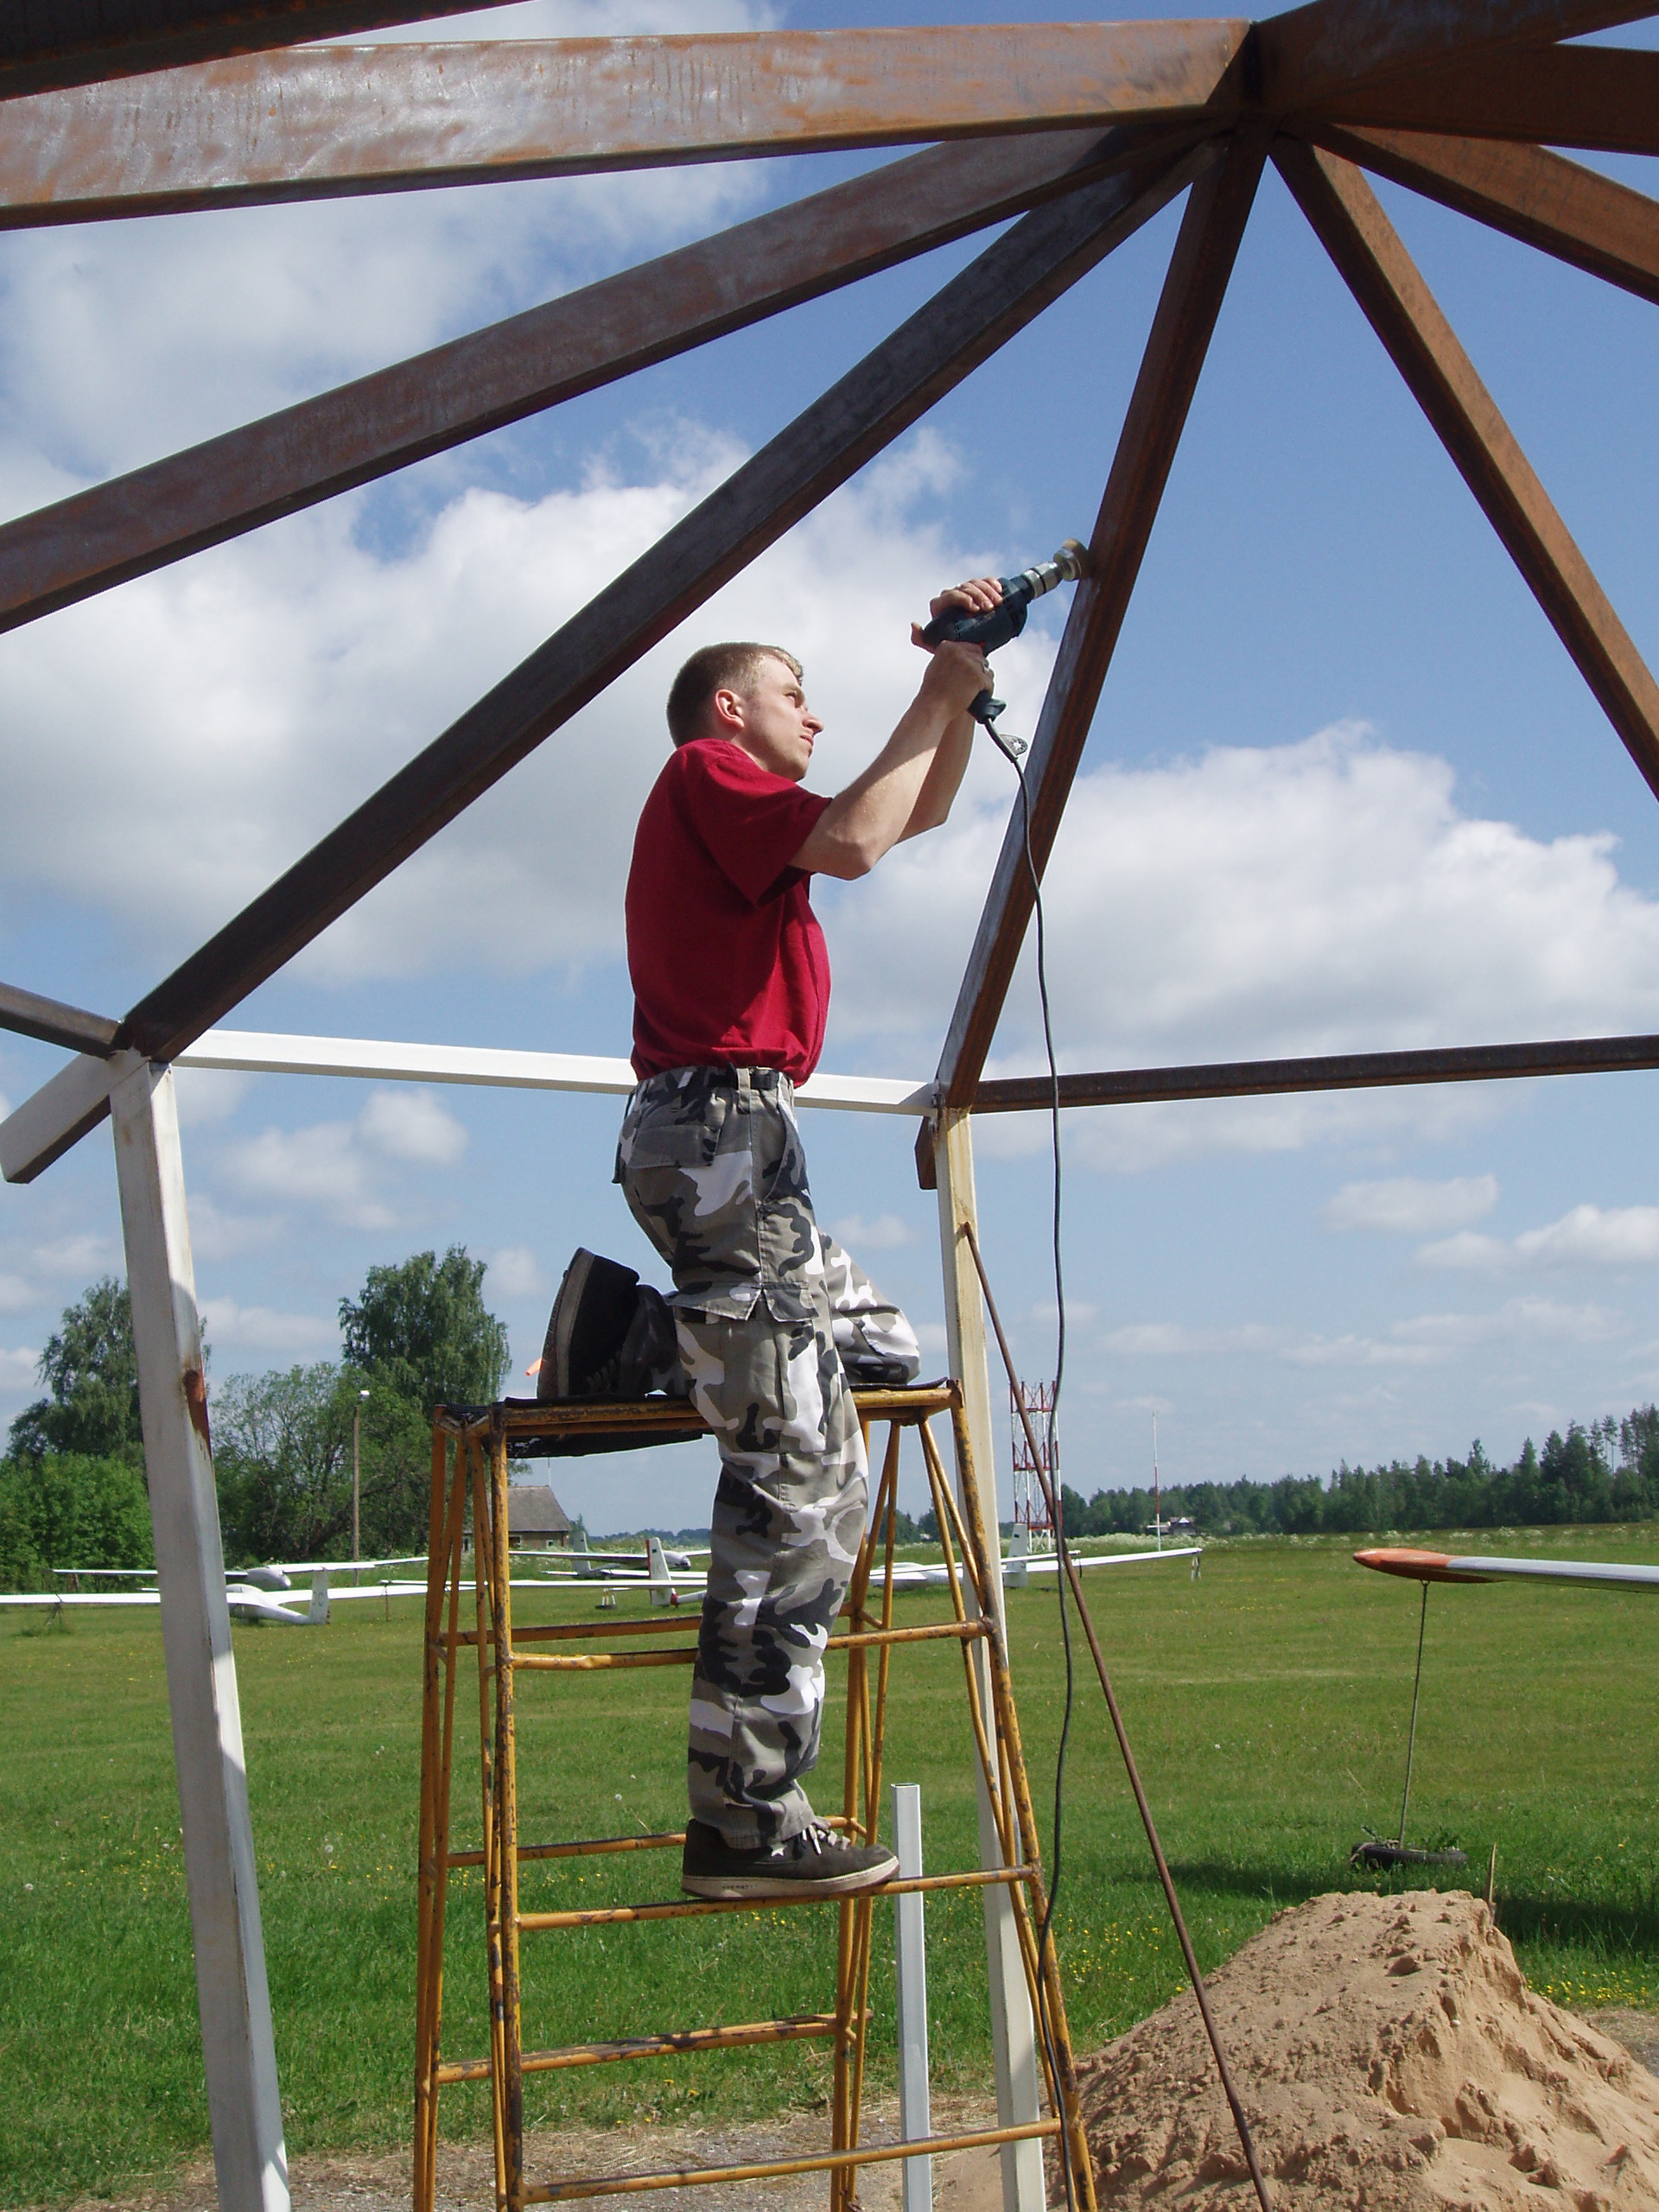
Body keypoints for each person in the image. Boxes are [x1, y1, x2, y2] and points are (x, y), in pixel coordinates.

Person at [545, 582, 1000, 1902]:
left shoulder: (747, 819)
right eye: (797, 692)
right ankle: (741, 1814)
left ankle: (627, 1333)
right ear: (732, 708)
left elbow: (913, 809)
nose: (816, 713)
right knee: (800, 1473)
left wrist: (955, 696)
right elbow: (857, 842)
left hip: (738, 1147)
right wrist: (937, 687)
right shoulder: (705, 770)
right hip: (719, 1136)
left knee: (880, 1348)